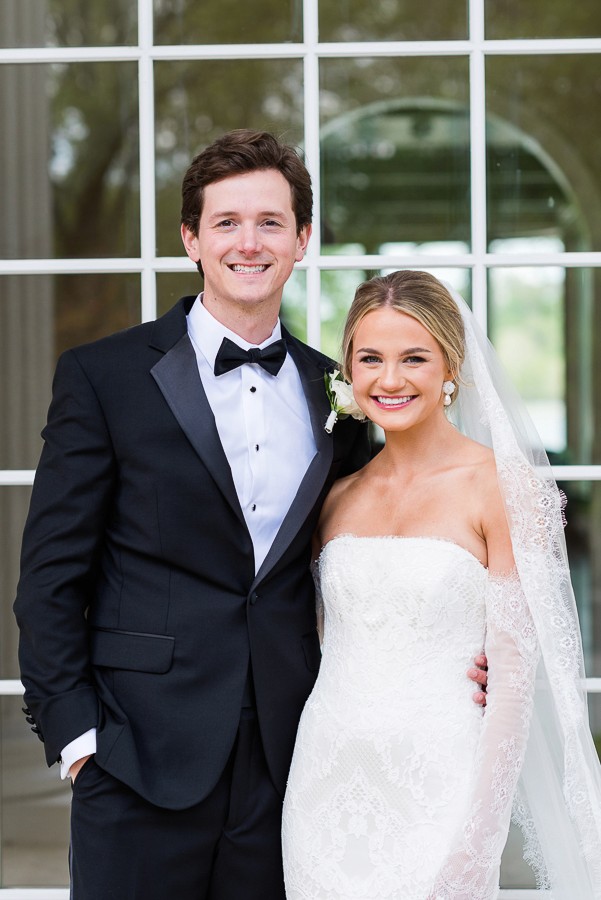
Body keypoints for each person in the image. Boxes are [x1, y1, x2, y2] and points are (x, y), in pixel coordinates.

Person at [13, 131, 486, 899]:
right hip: (137, 757)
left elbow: (388, 532)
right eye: (226, 222)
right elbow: (50, 580)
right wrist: (76, 738)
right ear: (190, 238)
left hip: (295, 759)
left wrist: (469, 644)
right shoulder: (103, 378)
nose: (248, 242)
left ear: (301, 240)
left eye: (270, 222)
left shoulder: (342, 391)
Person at [282, 269, 601, 899]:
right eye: (370, 358)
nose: (390, 379)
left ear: (451, 367)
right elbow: (320, 643)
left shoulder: (502, 489)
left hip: (441, 785)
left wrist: (478, 842)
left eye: (414, 358)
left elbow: (512, 684)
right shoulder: (334, 497)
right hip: (324, 780)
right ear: (349, 369)